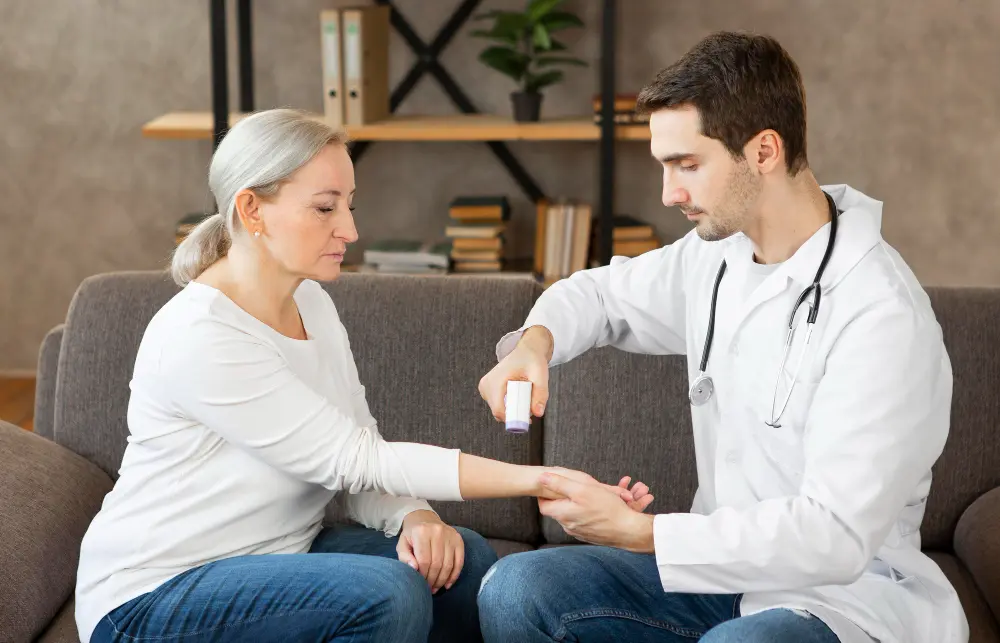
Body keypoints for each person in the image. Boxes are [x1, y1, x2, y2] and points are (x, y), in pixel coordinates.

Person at [75, 109, 652, 643]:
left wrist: (414, 515)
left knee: (462, 561)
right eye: (325, 208)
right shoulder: (201, 334)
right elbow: (354, 459)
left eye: (351, 204)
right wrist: (544, 481)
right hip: (152, 596)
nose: (349, 229)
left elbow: (360, 450)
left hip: (278, 556)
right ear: (252, 211)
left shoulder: (314, 304)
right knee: (386, 594)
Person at [475, 31, 967, 643]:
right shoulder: (716, 256)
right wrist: (535, 344)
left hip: (844, 603)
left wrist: (643, 533)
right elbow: (598, 295)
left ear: (763, 151)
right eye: (664, 166)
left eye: (687, 165)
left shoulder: (881, 314)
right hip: (718, 583)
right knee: (517, 590)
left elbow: (835, 537)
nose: (668, 193)